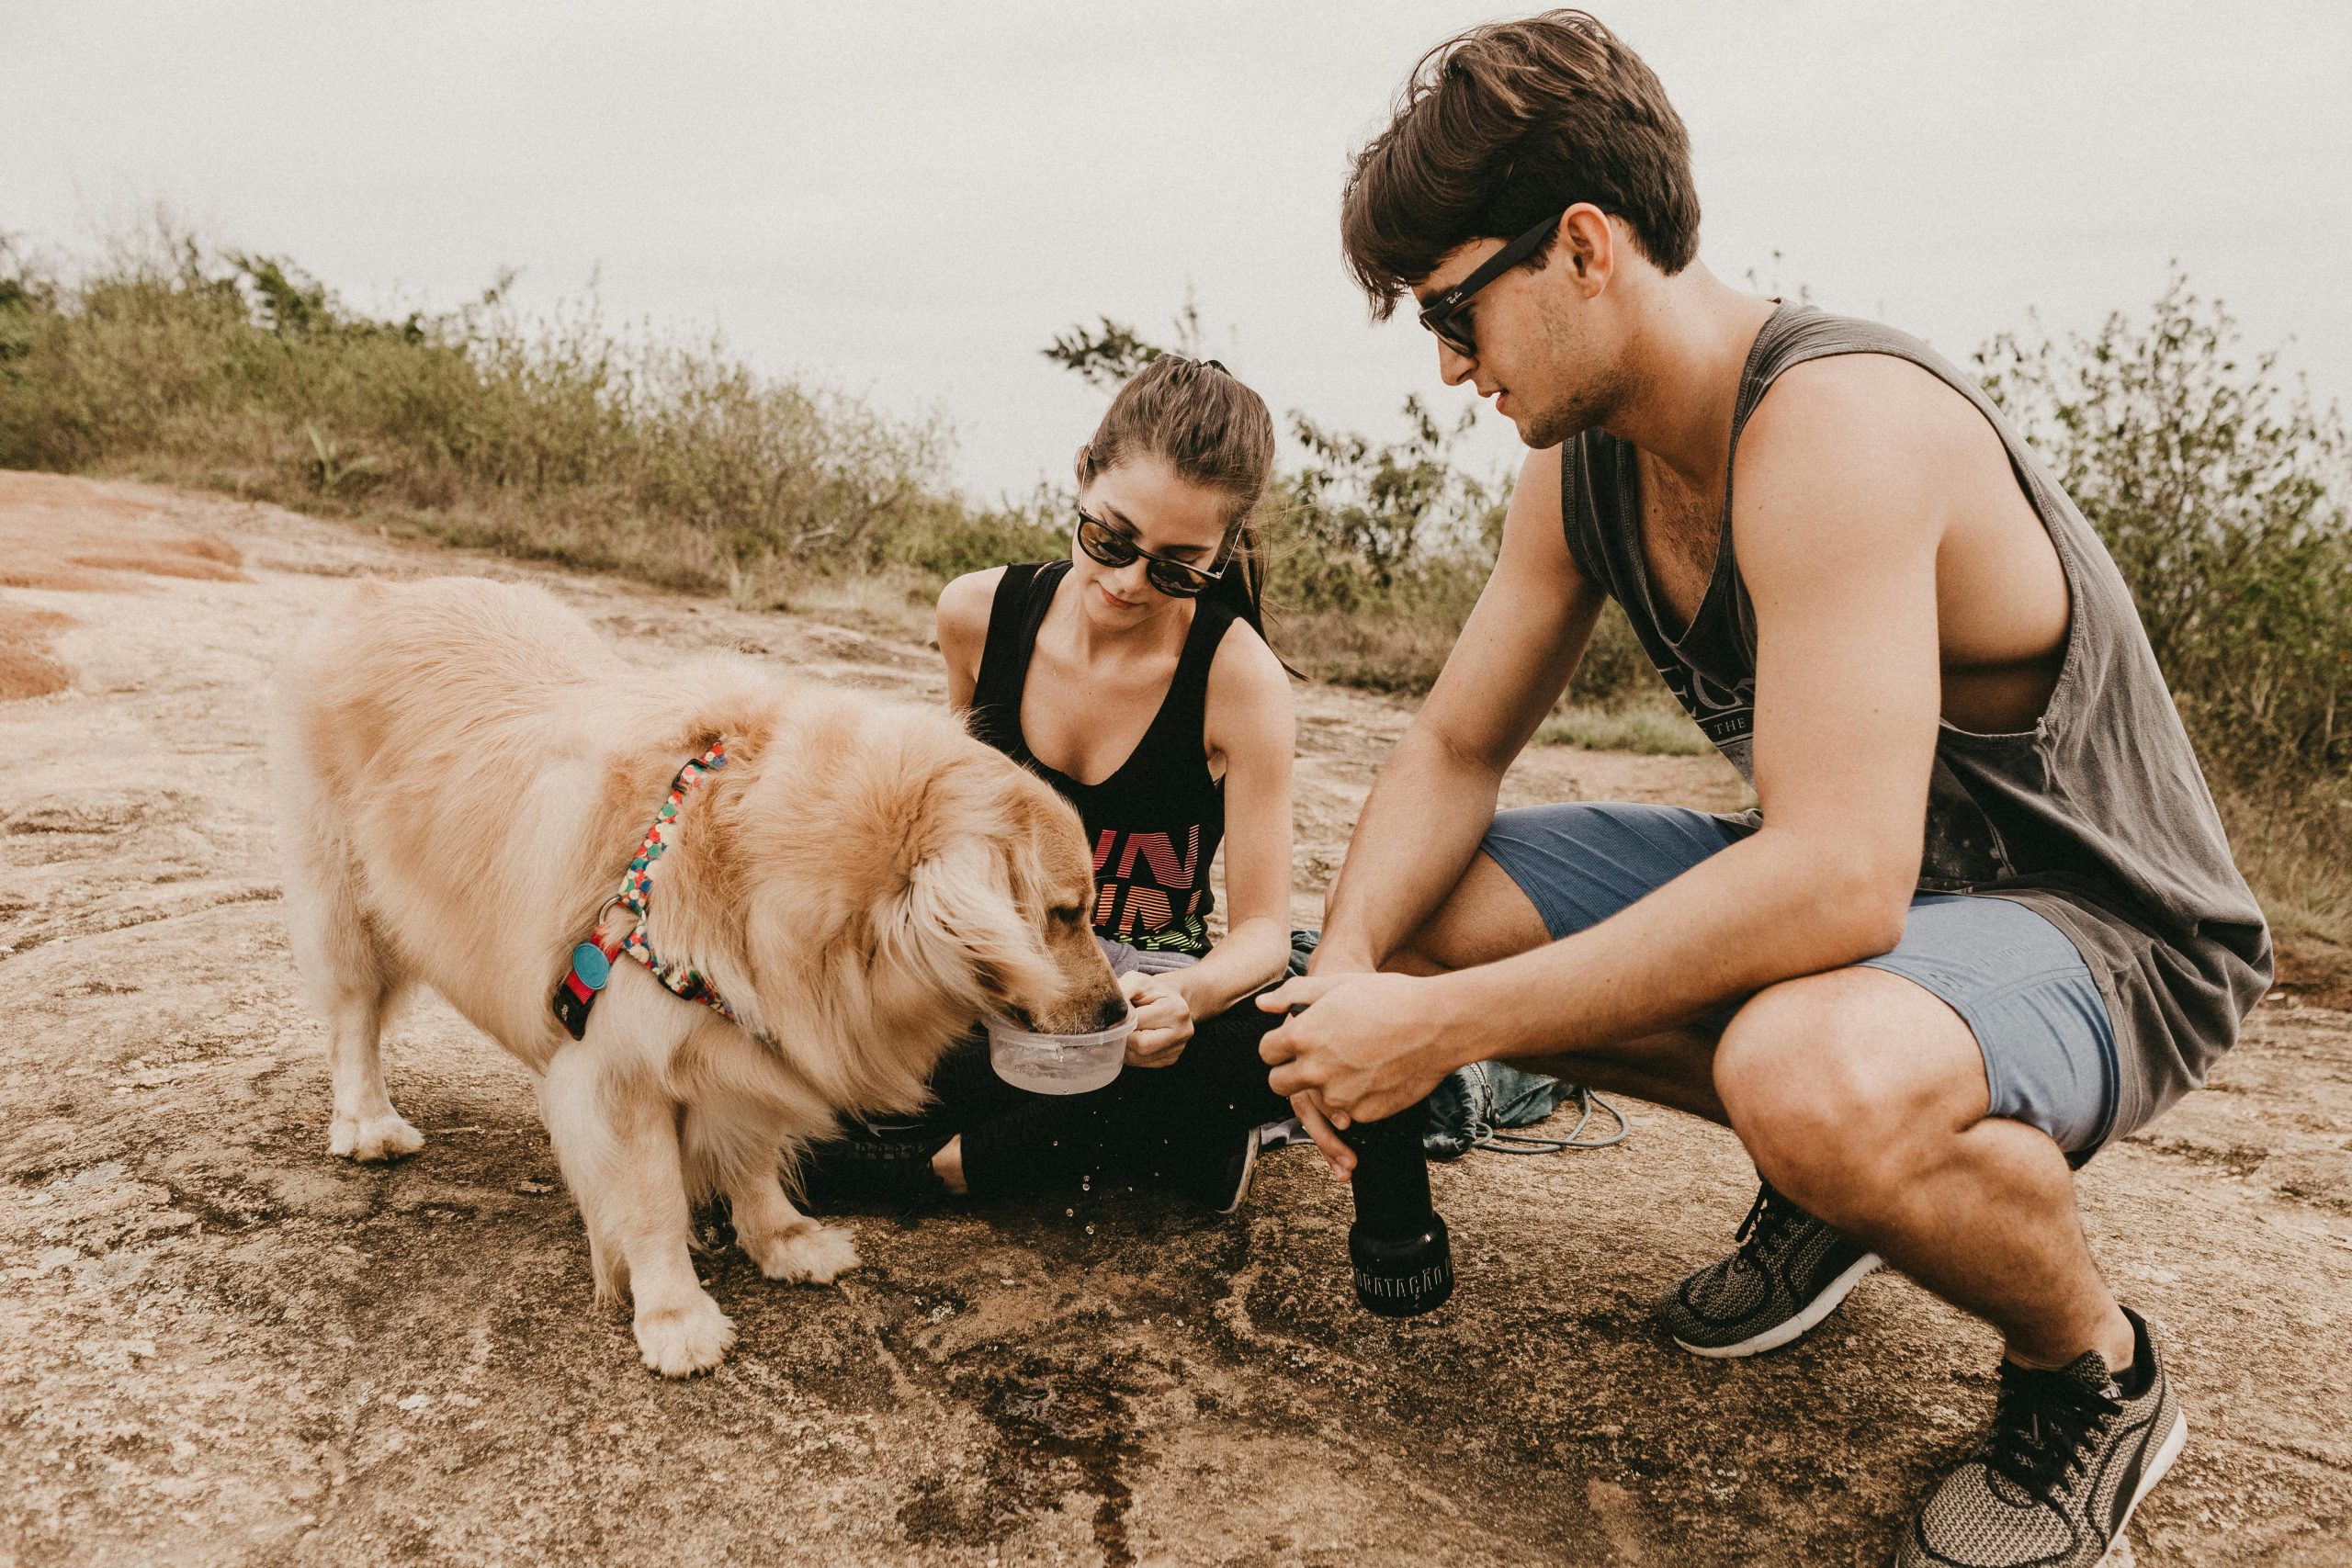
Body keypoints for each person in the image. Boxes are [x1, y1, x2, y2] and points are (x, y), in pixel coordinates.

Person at [1256, 14, 2268, 1566]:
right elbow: (1455, 748)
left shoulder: (1838, 422)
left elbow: (1836, 881)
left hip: (2101, 927)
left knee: (1808, 1075)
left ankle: (2096, 1373)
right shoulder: (1582, 462)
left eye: (1456, 310)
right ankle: (1839, 1192)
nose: (1451, 366)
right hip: (1894, 913)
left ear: (1585, 246)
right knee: (1423, 907)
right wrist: (1345, 983)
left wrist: (1441, 1032)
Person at [804, 353, 1299, 1212]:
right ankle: (1150, 1149)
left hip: (1142, 993)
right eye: (1110, 538)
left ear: (1224, 549)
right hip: (1002, 973)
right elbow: (936, 842)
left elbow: (1261, 931)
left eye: (1179, 567)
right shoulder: (976, 615)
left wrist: (1187, 996)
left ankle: (936, 1170)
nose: (1126, 582)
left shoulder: (1240, 678)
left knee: (1280, 1040)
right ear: (1082, 474)